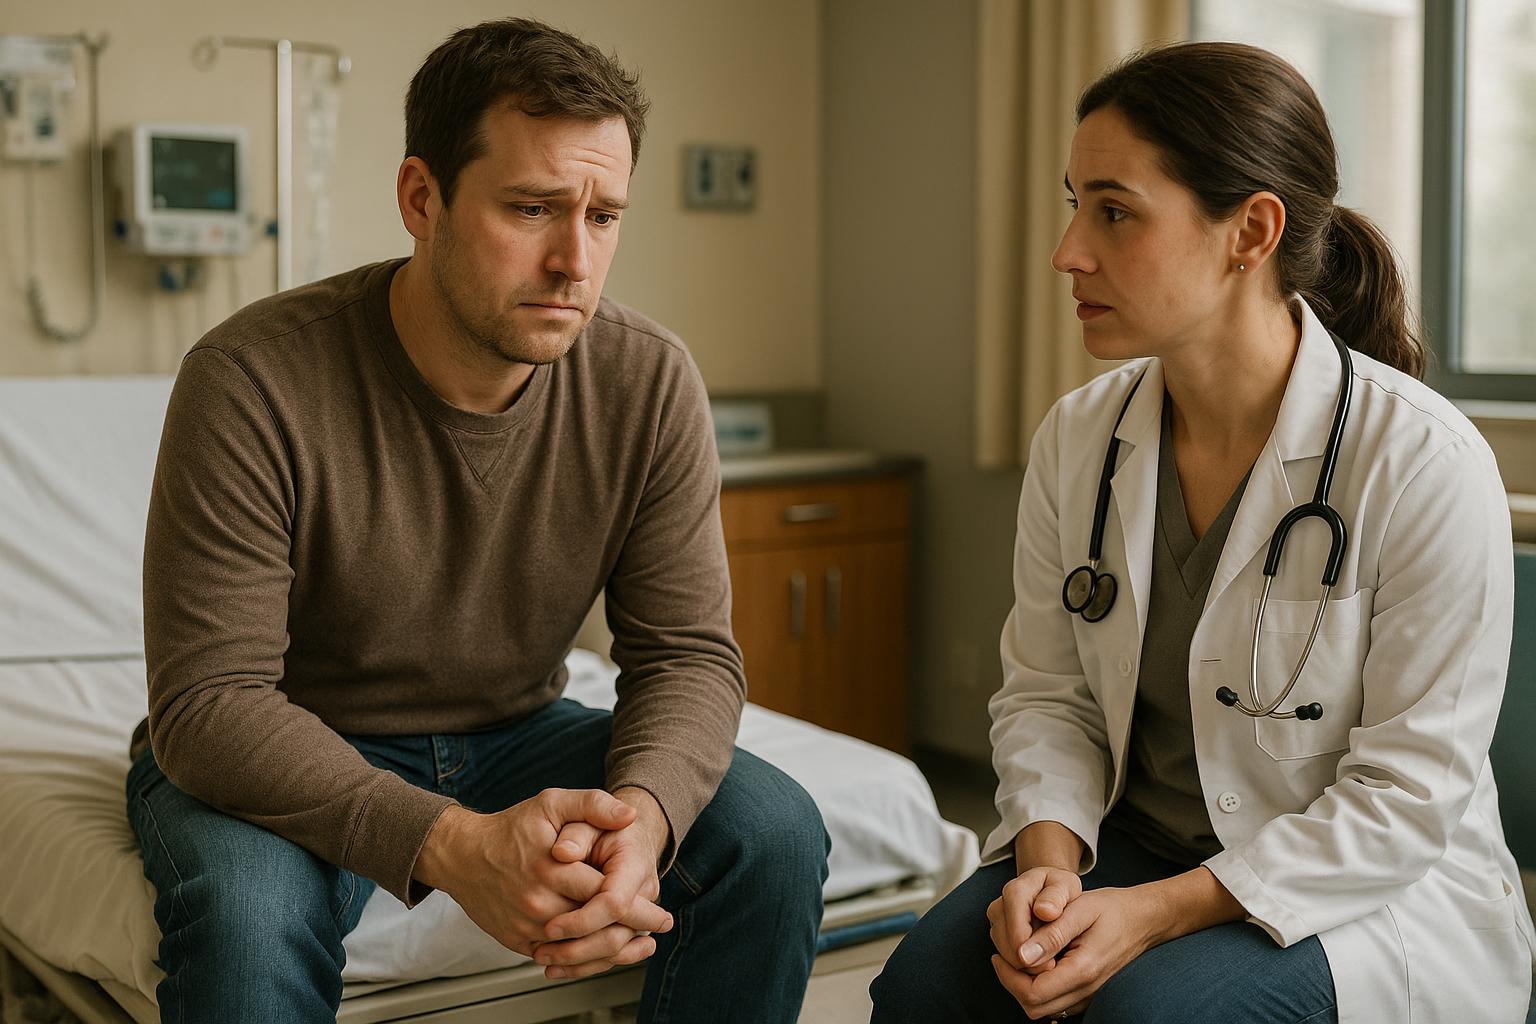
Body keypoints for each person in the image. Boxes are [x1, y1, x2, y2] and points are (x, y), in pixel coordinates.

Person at [126, 17, 828, 1023]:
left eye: (602, 215)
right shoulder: (252, 380)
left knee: (777, 831)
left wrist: (644, 820)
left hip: (519, 731)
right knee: (245, 913)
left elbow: (688, 657)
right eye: (534, 208)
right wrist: (452, 843)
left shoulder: (648, 379)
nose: (573, 260)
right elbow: (210, 701)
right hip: (295, 737)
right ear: (422, 198)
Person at [871, 41, 1534, 1024]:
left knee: (1148, 1013)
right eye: (1072, 204)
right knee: (926, 985)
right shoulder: (1080, 438)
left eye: (1114, 210)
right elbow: (1051, 696)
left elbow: (1403, 800)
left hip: (1362, 890)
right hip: (1141, 842)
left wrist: (1151, 916)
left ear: (1250, 231)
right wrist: (1050, 865)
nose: (1067, 253)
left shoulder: (1422, 462)